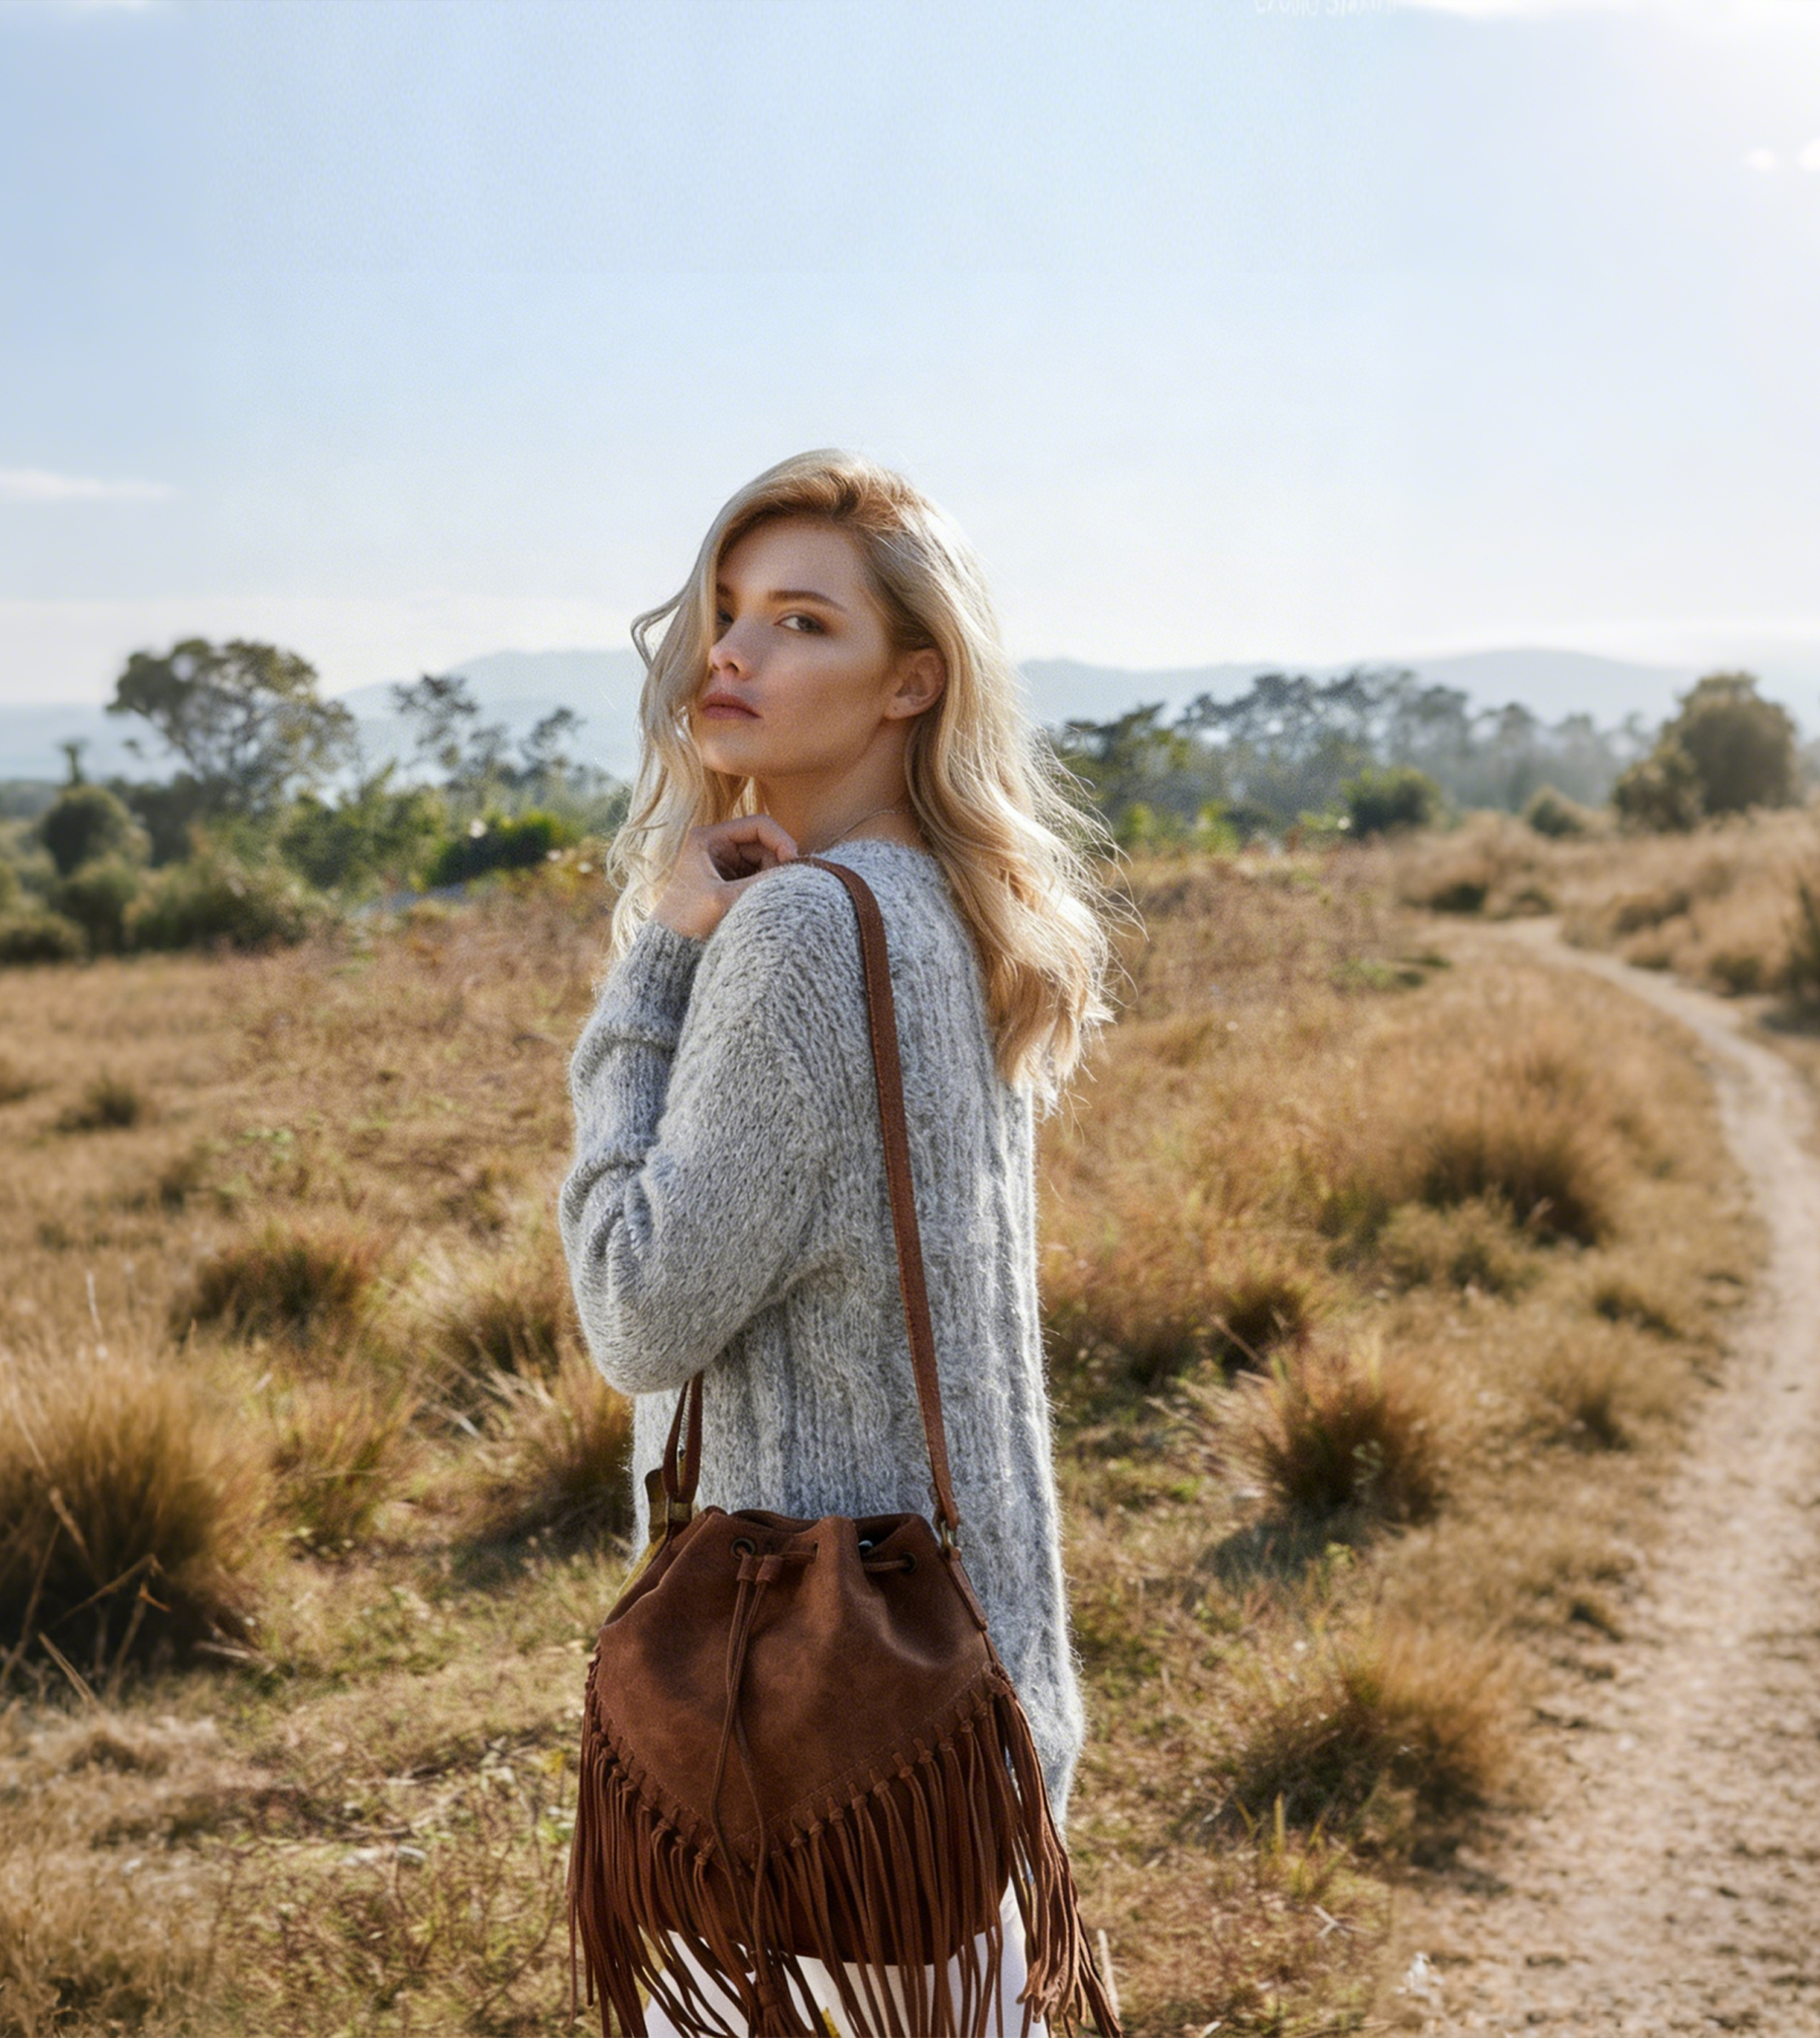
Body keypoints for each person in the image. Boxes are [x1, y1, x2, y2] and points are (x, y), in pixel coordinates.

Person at [557, 448, 1123, 2036]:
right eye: (727, 611)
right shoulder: (943, 900)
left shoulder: (799, 931)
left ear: (910, 681)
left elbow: (632, 1307)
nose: (730, 651)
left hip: (812, 1739)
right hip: (965, 1707)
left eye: (801, 620)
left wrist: (655, 968)